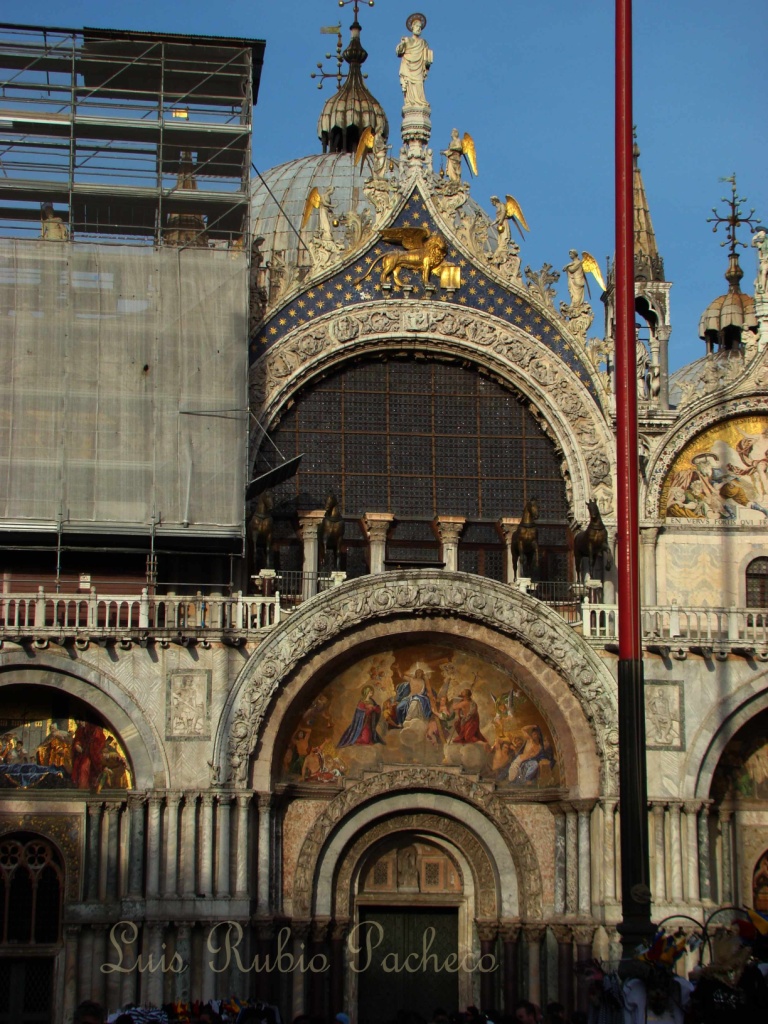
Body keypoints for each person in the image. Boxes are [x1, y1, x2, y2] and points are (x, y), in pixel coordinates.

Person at [396, 13, 433, 107]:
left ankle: (420, 101)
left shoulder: (423, 43)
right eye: (417, 26)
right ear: (412, 27)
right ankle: (410, 102)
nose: (419, 28)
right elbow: (399, 52)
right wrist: (402, 44)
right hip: (408, 67)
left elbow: (427, 56)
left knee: (419, 84)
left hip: (419, 68)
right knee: (409, 87)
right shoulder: (407, 40)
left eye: (420, 27)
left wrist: (428, 61)